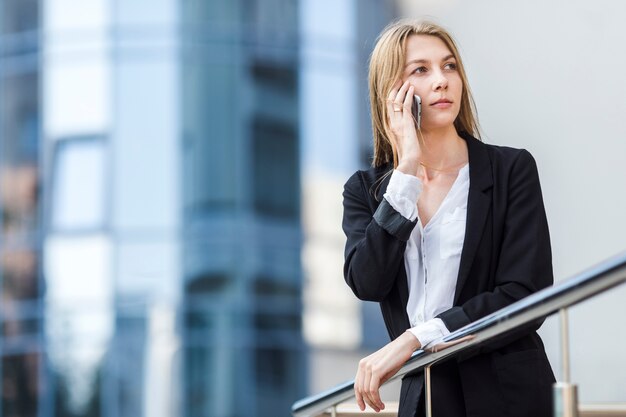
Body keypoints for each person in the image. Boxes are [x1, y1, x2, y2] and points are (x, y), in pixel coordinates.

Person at [341, 19, 555, 417]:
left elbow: (525, 292)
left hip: (509, 394)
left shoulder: (511, 170)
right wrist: (405, 170)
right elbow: (367, 281)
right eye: (420, 70)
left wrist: (413, 339)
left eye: (450, 65)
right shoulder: (366, 191)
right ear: (391, 92)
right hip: (426, 397)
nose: (442, 80)